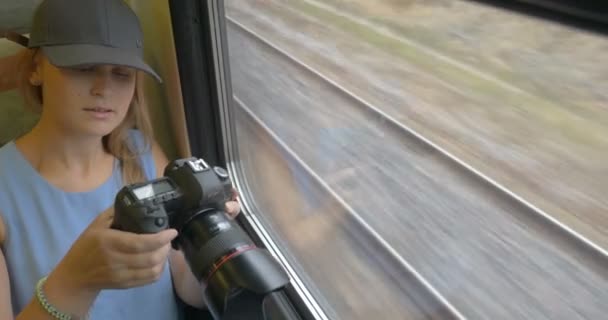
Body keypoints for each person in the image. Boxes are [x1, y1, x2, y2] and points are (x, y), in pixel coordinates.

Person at [0, 0, 240, 319]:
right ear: (34, 69)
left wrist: (216, 241)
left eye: (122, 73)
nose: (104, 89)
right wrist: (75, 282)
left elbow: (185, 283)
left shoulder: (140, 154)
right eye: (83, 68)